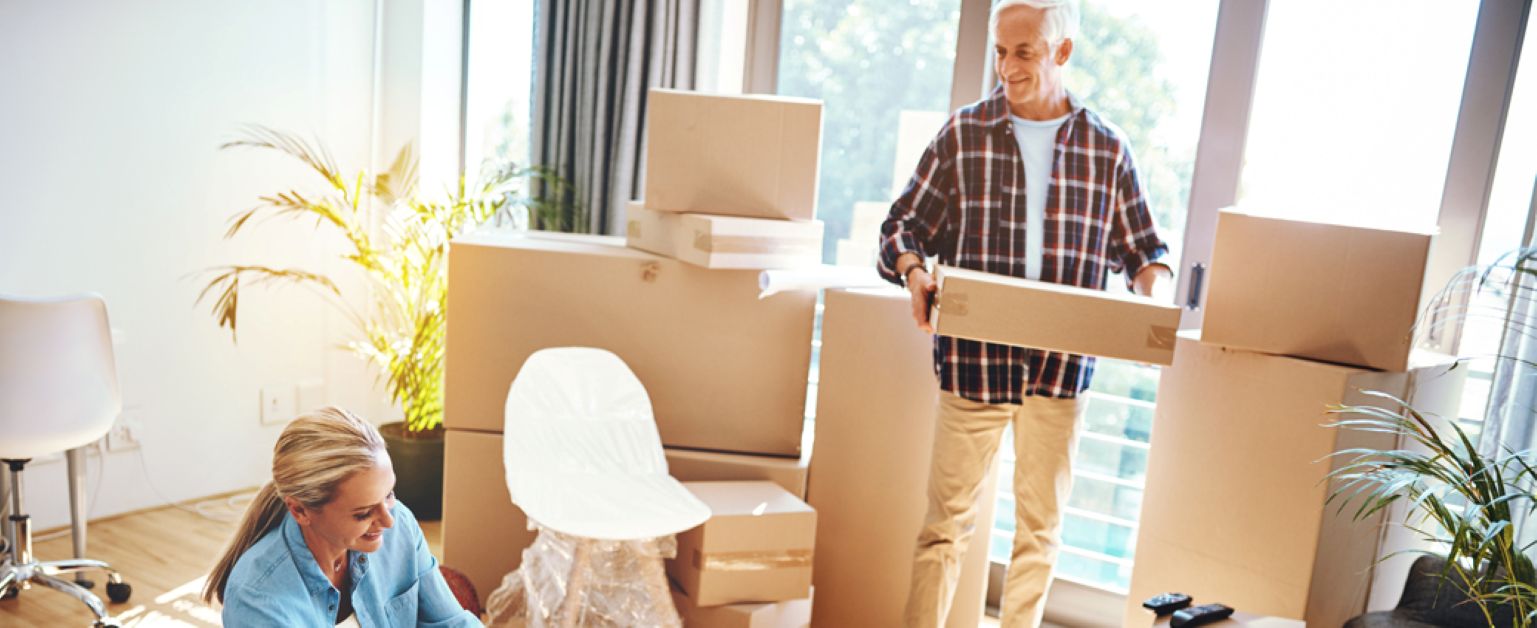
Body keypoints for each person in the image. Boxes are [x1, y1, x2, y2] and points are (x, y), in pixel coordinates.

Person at [877, 0, 1173, 625]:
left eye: (1024, 53)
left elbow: (1145, 252)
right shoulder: (964, 134)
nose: (1006, 67)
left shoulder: (1107, 149)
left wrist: (1153, 299)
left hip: (1060, 375)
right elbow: (902, 226)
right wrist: (914, 272)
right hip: (974, 367)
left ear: (1062, 53)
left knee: (1039, 535)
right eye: (1000, 50)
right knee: (943, 530)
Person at [202, 407, 480, 627]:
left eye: (389, 494)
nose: (388, 520)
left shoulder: (400, 527)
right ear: (300, 510)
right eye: (363, 513)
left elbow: (452, 623)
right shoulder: (259, 599)